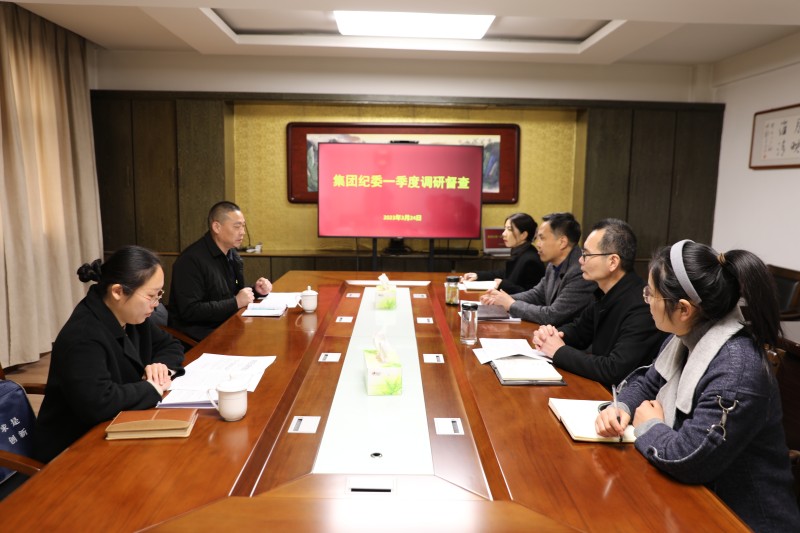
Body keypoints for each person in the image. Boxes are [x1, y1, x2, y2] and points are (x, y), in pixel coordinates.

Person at [595, 240, 800, 531]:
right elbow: (647, 381)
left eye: (650, 293)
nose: (646, 300)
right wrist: (622, 408)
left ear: (683, 309)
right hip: (691, 497)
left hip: (742, 518)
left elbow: (690, 458)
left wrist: (649, 426)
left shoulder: (736, 370)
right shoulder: (684, 335)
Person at [34, 246, 185, 463]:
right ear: (117, 292)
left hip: (118, 426)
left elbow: (170, 344)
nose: (157, 304)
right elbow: (98, 402)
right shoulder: (84, 336)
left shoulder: (131, 314)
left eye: (159, 294)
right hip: (74, 449)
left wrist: (161, 367)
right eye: (151, 295)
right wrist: (151, 388)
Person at [533, 219, 666, 387]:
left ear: (613, 262)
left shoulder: (642, 305)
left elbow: (614, 370)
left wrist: (558, 351)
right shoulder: (605, 293)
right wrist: (551, 336)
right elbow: (579, 331)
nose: (580, 260)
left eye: (586, 254)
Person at [169, 201, 272, 340]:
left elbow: (232, 294)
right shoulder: (190, 260)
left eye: (243, 226)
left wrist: (255, 291)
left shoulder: (231, 253)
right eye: (237, 226)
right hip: (200, 334)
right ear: (217, 227)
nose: (242, 232)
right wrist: (235, 303)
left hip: (229, 323)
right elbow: (190, 311)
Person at [481, 212, 595, 326]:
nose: (538, 244)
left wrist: (511, 304)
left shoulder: (580, 271)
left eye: (542, 238)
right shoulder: (553, 264)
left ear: (562, 242)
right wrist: (501, 299)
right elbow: (537, 294)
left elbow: (552, 315)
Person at [461, 213, 545, 293]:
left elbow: (532, 295)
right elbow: (505, 273)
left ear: (523, 235)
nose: (503, 234)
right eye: (505, 229)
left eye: (509, 229)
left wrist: (503, 285)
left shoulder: (531, 260)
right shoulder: (521, 251)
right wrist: (479, 276)